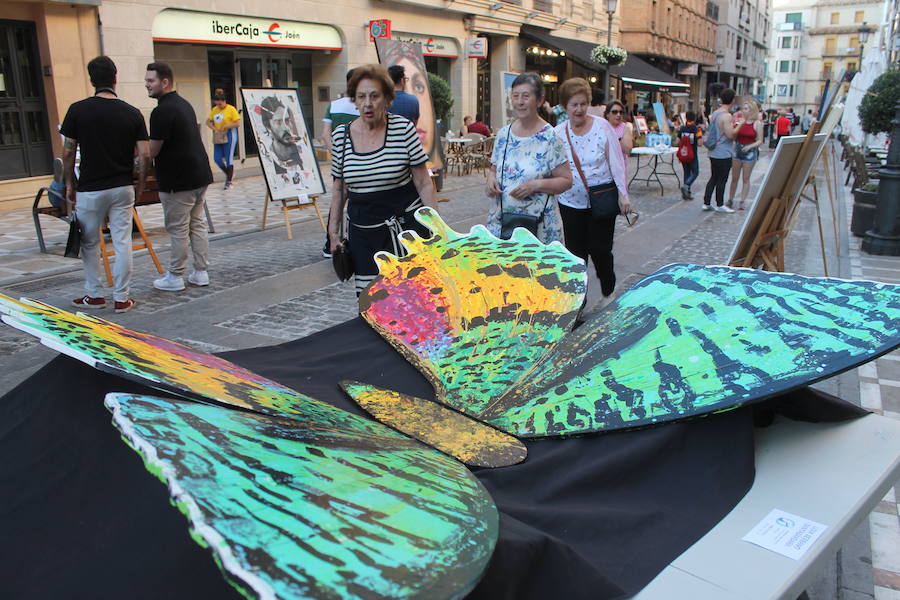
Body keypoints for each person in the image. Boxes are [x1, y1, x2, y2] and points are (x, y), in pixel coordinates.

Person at [327, 64, 438, 295]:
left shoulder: (403, 130)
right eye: (361, 96)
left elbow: (423, 182)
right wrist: (333, 233)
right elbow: (339, 189)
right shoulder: (341, 136)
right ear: (354, 101)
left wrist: (437, 228)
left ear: (387, 99)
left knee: (411, 301)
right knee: (372, 302)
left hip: (406, 231)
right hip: (363, 233)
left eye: (374, 96)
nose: (367, 103)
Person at [60, 56, 148, 314]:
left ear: (92, 80)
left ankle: (94, 294)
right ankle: (122, 298)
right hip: (122, 187)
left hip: (90, 187)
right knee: (121, 241)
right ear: (115, 78)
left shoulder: (78, 110)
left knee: (89, 243)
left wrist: (69, 184)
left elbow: (67, 152)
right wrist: (140, 185)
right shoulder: (132, 113)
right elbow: (144, 155)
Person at [554, 77, 630, 303]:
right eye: (573, 104)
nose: (579, 109)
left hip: (601, 198)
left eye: (583, 103)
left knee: (600, 250)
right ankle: (579, 301)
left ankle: (608, 290)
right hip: (569, 201)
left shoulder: (602, 127)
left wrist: (623, 194)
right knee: (575, 255)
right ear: (564, 106)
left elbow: (615, 161)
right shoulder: (558, 133)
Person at [145, 61, 214, 291]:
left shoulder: (161, 111)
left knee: (178, 228)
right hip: (199, 175)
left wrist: (139, 160)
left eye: (150, 81)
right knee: (197, 224)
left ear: (165, 82)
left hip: (178, 180)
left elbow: (152, 151)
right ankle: (201, 272)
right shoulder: (184, 104)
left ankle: (175, 276)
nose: (147, 85)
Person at [485, 73, 572, 243]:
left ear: (539, 100)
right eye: (515, 96)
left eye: (526, 96)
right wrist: (491, 179)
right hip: (502, 225)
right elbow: (494, 169)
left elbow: (566, 180)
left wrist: (536, 185)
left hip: (539, 227)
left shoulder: (550, 137)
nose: (519, 101)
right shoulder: (504, 134)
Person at [321, 69, 359, 258]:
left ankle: (330, 243)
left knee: (338, 200)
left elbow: (325, 134)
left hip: (341, 161)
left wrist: (336, 155)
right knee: (358, 200)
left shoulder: (334, 105)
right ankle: (355, 239)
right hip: (360, 161)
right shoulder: (364, 106)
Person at [380, 42, 437, 164]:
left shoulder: (382, 101)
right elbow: (414, 123)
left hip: (387, 148)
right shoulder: (413, 100)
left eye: (419, 86)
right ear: (402, 80)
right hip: (407, 147)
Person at [701, 88, 744, 213]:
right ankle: (720, 204)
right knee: (722, 179)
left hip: (713, 150)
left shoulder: (715, 113)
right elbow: (730, 135)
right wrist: (740, 125)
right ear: (733, 100)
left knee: (714, 177)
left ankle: (706, 202)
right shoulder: (726, 115)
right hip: (723, 151)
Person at [727, 101, 764, 210]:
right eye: (743, 108)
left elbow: (760, 140)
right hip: (738, 150)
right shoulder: (740, 122)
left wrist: (750, 146)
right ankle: (730, 199)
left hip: (750, 152)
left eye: (746, 108)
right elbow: (734, 136)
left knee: (746, 178)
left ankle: (742, 201)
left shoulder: (757, 123)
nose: (743, 110)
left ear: (752, 110)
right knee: (734, 177)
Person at [205, 88, 240, 190]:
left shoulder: (231, 109)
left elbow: (237, 123)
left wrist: (226, 126)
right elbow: (208, 121)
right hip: (219, 135)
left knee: (229, 158)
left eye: (220, 104)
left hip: (229, 134)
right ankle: (229, 174)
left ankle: (229, 182)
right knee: (217, 158)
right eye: (217, 104)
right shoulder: (215, 110)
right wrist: (214, 128)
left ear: (224, 101)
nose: (218, 106)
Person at [604, 99, 634, 179]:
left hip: (619, 169)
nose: (618, 114)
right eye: (614, 112)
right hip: (603, 169)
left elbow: (627, 150)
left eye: (621, 112)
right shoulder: (601, 127)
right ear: (607, 114)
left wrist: (615, 138)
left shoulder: (625, 127)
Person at [677, 111, 702, 200]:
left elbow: (677, 141)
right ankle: (686, 186)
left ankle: (686, 194)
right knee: (695, 172)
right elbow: (699, 143)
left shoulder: (682, 128)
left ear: (686, 118)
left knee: (686, 172)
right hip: (692, 154)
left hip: (684, 154)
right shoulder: (697, 129)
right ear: (694, 119)